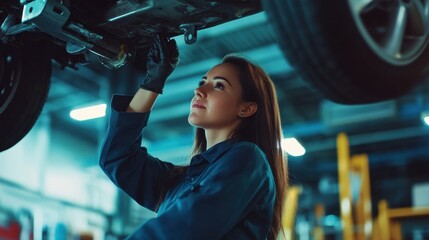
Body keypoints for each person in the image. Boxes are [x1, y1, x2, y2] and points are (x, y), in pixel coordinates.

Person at [99, 34, 288, 240]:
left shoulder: (248, 159)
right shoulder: (179, 182)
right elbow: (117, 158)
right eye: (202, 82)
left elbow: (187, 227)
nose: (199, 90)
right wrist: (153, 82)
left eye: (219, 86)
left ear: (246, 108)